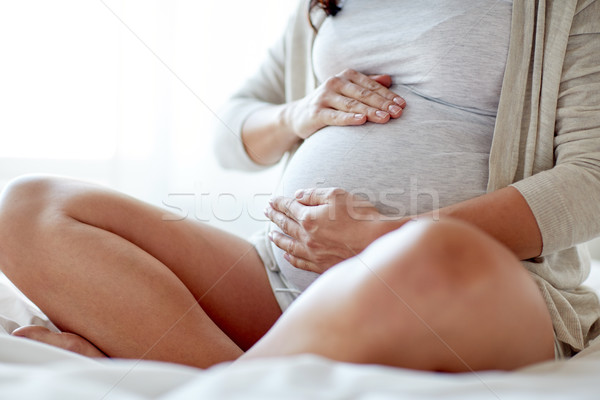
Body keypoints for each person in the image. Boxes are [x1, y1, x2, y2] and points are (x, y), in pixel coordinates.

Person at [0, 0, 598, 371]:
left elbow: (589, 181)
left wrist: (386, 238)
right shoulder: (326, 4)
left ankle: (223, 382)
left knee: (434, 253)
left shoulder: (566, 7)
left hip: (475, 289)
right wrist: (298, 114)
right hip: (284, 281)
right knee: (28, 207)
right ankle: (236, 377)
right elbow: (230, 129)